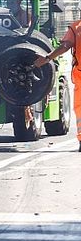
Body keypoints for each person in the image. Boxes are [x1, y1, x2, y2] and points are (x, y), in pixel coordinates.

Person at [34, 17, 80, 150]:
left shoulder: (76, 27)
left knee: (80, 109)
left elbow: (65, 46)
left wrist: (47, 58)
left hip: (80, 75)